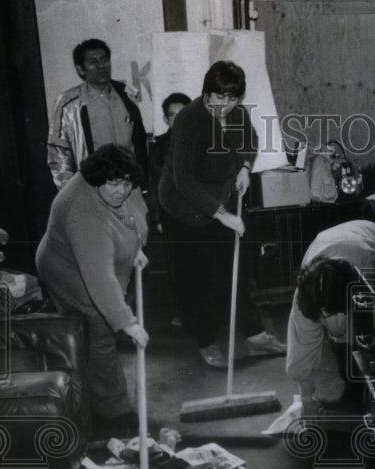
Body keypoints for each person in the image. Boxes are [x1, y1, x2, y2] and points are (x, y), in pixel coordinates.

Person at [158, 61, 286, 368]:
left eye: (232, 98)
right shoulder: (190, 120)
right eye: (219, 96)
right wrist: (221, 214)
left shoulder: (237, 113)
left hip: (219, 197)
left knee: (236, 269)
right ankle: (205, 340)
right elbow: (184, 180)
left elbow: (250, 142)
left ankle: (255, 335)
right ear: (206, 92)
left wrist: (244, 167)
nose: (225, 105)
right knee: (199, 278)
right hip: (183, 207)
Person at [35, 144, 149, 436]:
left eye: (127, 183)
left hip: (94, 256)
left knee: (99, 327)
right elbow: (99, 276)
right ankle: (112, 412)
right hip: (65, 267)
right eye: (114, 183)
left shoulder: (118, 184)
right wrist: (127, 322)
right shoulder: (83, 211)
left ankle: (96, 394)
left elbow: (135, 209)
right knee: (99, 328)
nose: (121, 190)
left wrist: (135, 246)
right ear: (99, 178)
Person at [287, 220, 375, 414]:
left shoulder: (368, 267)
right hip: (328, 242)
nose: (325, 320)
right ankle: (353, 388)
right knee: (339, 337)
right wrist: (306, 398)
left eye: (330, 314)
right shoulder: (306, 295)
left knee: (371, 335)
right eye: (321, 316)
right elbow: (302, 350)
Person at [47, 39, 148, 191]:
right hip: (93, 189)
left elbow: (139, 144)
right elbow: (58, 155)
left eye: (104, 60)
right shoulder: (68, 104)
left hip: (129, 187)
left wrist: (143, 185)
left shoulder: (126, 95)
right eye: (93, 61)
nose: (101, 66)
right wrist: (73, 193)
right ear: (81, 69)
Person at [144, 92, 192, 327]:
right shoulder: (158, 148)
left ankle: (213, 314)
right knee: (180, 268)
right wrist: (157, 218)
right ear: (165, 120)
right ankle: (185, 312)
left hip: (202, 216)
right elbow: (153, 185)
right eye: (173, 115)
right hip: (172, 216)